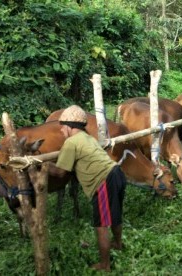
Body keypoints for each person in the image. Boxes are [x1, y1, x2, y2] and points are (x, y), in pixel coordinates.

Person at [50, 105, 126, 272]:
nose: (61, 131)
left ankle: (104, 265)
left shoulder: (71, 142)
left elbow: (60, 172)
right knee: (115, 214)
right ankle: (118, 244)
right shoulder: (88, 137)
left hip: (104, 181)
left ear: (70, 127)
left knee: (101, 224)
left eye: (62, 127)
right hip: (117, 173)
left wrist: (42, 165)